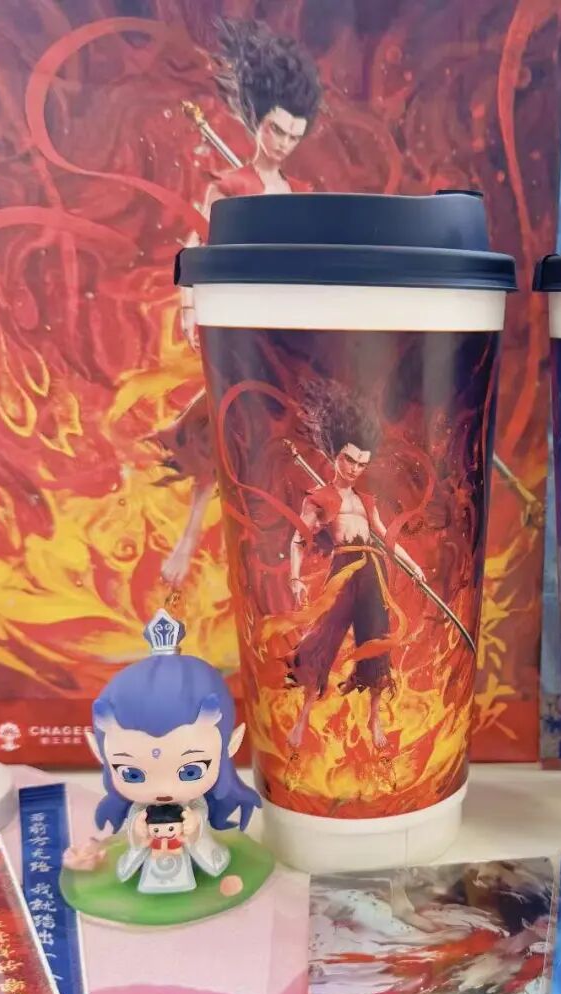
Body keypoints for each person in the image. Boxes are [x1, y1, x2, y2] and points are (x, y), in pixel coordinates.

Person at [158, 19, 322, 588]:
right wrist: (189, 306)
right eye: (276, 130)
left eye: (294, 136)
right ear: (257, 120)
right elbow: (196, 247)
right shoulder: (229, 185)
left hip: (289, 331)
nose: (283, 143)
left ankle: (289, 553)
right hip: (242, 328)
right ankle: (191, 541)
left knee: (293, 440)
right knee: (225, 431)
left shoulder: (301, 197)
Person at [62, 609, 258, 898]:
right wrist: (139, 832)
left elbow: (200, 818)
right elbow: (133, 829)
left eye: (190, 771)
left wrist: (193, 826)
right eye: (132, 774)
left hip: (188, 851)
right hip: (152, 856)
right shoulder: (140, 810)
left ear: (232, 743)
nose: (164, 790)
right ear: (99, 752)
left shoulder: (195, 806)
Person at [286, 380, 426, 752]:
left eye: (362, 464)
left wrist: (413, 565)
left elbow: (385, 537)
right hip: (343, 570)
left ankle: (375, 720)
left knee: (377, 641)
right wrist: (295, 578)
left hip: (372, 570)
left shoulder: (365, 499)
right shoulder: (318, 498)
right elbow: (298, 539)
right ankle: (302, 719)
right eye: (349, 460)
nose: (354, 469)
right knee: (324, 638)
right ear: (335, 454)